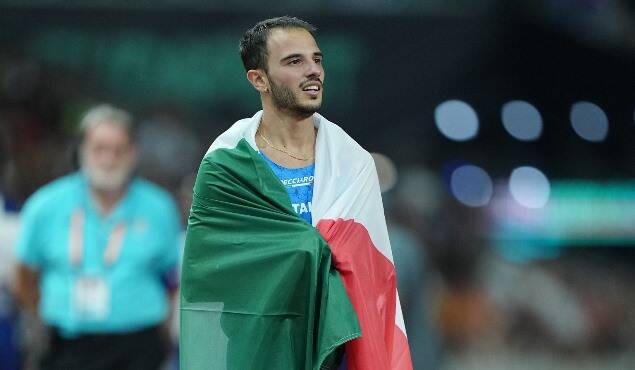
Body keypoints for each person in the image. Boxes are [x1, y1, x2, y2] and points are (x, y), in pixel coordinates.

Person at [180, 16, 413, 370]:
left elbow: (373, 274)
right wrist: (306, 252)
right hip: (255, 348)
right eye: (294, 61)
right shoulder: (226, 166)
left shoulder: (353, 164)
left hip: (339, 353)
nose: (313, 71)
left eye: (317, 59)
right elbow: (212, 274)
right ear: (259, 79)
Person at [13, 104, 181, 370]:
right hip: (66, 346)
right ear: (81, 151)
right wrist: (44, 309)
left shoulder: (159, 208)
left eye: (119, 150)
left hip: (139, 347)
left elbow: (173, 280)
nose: (109, 159)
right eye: (99, 148)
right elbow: (23, 273)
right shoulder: (45, 205)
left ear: (134, 153)